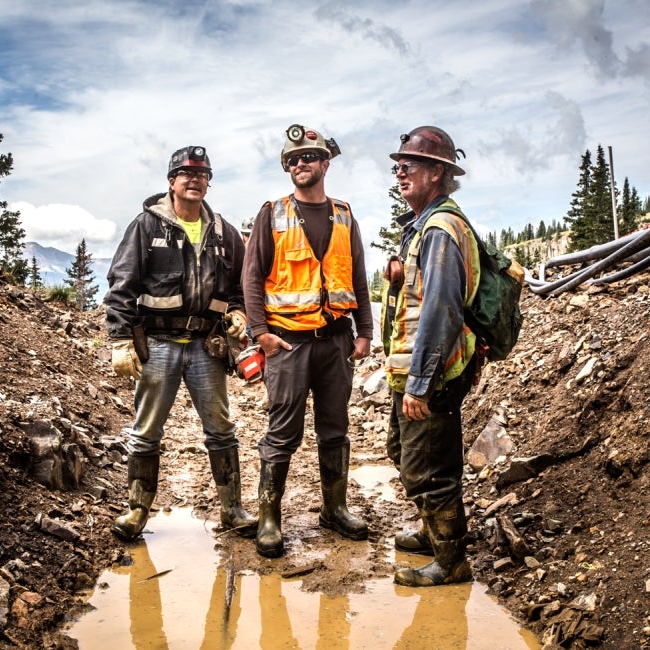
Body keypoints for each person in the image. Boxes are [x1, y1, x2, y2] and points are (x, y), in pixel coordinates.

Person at [104, 145, 256, 542]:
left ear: (208, 182)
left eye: (202, 174)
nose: (195, 180)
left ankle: (232, 508)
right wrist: (120, 339)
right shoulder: (147, 226)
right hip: (158, 344)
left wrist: (239, 314)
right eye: (186, 174)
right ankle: (137, 509)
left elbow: (240, 286)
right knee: (146, 431)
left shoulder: (223, 232)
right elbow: (122, 285)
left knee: (221, 429)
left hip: (207, 345)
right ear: (171, 181)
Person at [242, 124, 373, 558]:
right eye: (293, 160)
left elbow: (357, 277)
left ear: (325, 164)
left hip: (336, 342)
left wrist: (365, 331)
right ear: (287, 167)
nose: (301, 164)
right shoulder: (272, 213)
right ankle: (268, 518)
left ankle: (334, 509)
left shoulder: (344, 214)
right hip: (288, 344)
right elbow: (252, 277)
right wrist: (261, 333)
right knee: (282, 433)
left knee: (335, 430)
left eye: (309, 157)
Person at [382, 126, 483, 587]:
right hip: (414, 367)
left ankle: (451, 560)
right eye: (397, 166)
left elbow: (441, 309)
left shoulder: (441, 229)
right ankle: (430, 532)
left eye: (410, 166)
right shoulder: (424, 226)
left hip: (433, 372)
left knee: (430, 468)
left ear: (438, 173)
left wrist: (422, 382)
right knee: (404, 452)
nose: (400, 173)